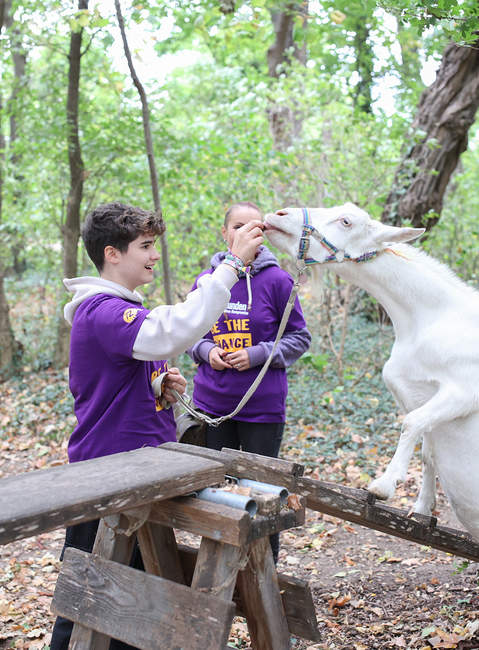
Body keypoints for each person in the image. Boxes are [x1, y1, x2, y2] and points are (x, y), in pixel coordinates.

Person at [51, 200, 264, 650]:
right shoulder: (104, 311)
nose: (154, 255)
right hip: (107, 475)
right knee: (85, 603)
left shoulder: (119, 308)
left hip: (138, 472)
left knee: (134, 603)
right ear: (112, 254)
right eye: (145, 246)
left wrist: (155, 386)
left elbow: (112, 379)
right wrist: (229, 267)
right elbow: (171, 330)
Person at [186, 201, 311, 563]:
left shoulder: (278, 281)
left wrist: (257, 354)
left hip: (261, 409)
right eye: (237, 226)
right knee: (215, 495)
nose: (245, 233)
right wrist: (206, 350)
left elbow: (299, 338)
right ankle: (218, 570)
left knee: (263, 496)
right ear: (224, 233)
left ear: (263, 235)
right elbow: (187, 332)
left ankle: (263, 573)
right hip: (211, 409)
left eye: (253, 226)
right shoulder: (207, 282)